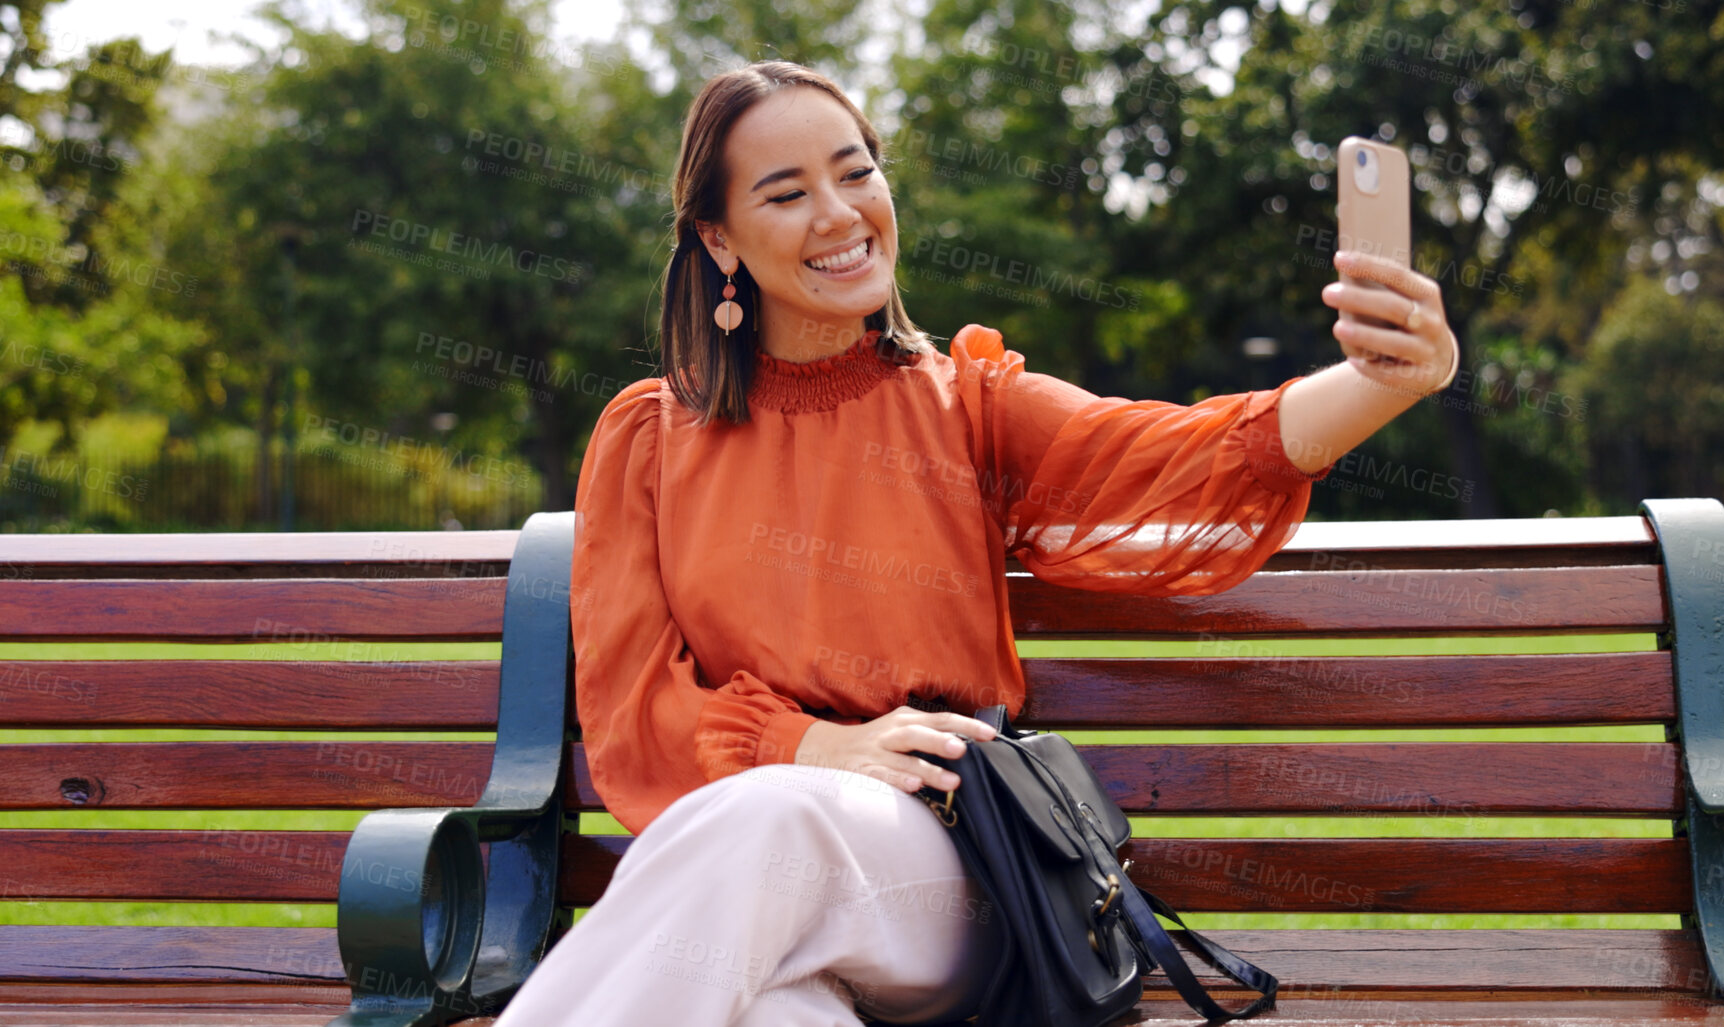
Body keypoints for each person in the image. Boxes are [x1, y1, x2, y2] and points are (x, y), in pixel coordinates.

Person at [491, 59, 1459, 1027]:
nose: (840, 212)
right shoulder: (648, 440)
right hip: (756, 876)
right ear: (718, 237)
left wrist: (1384, 381)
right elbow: (632, 708)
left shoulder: (967, 405)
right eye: (786, 193)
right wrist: (809, 743)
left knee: (769, 818)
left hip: (953, 869)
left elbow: (1176, 454)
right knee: (777, 1006)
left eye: (857, 171)